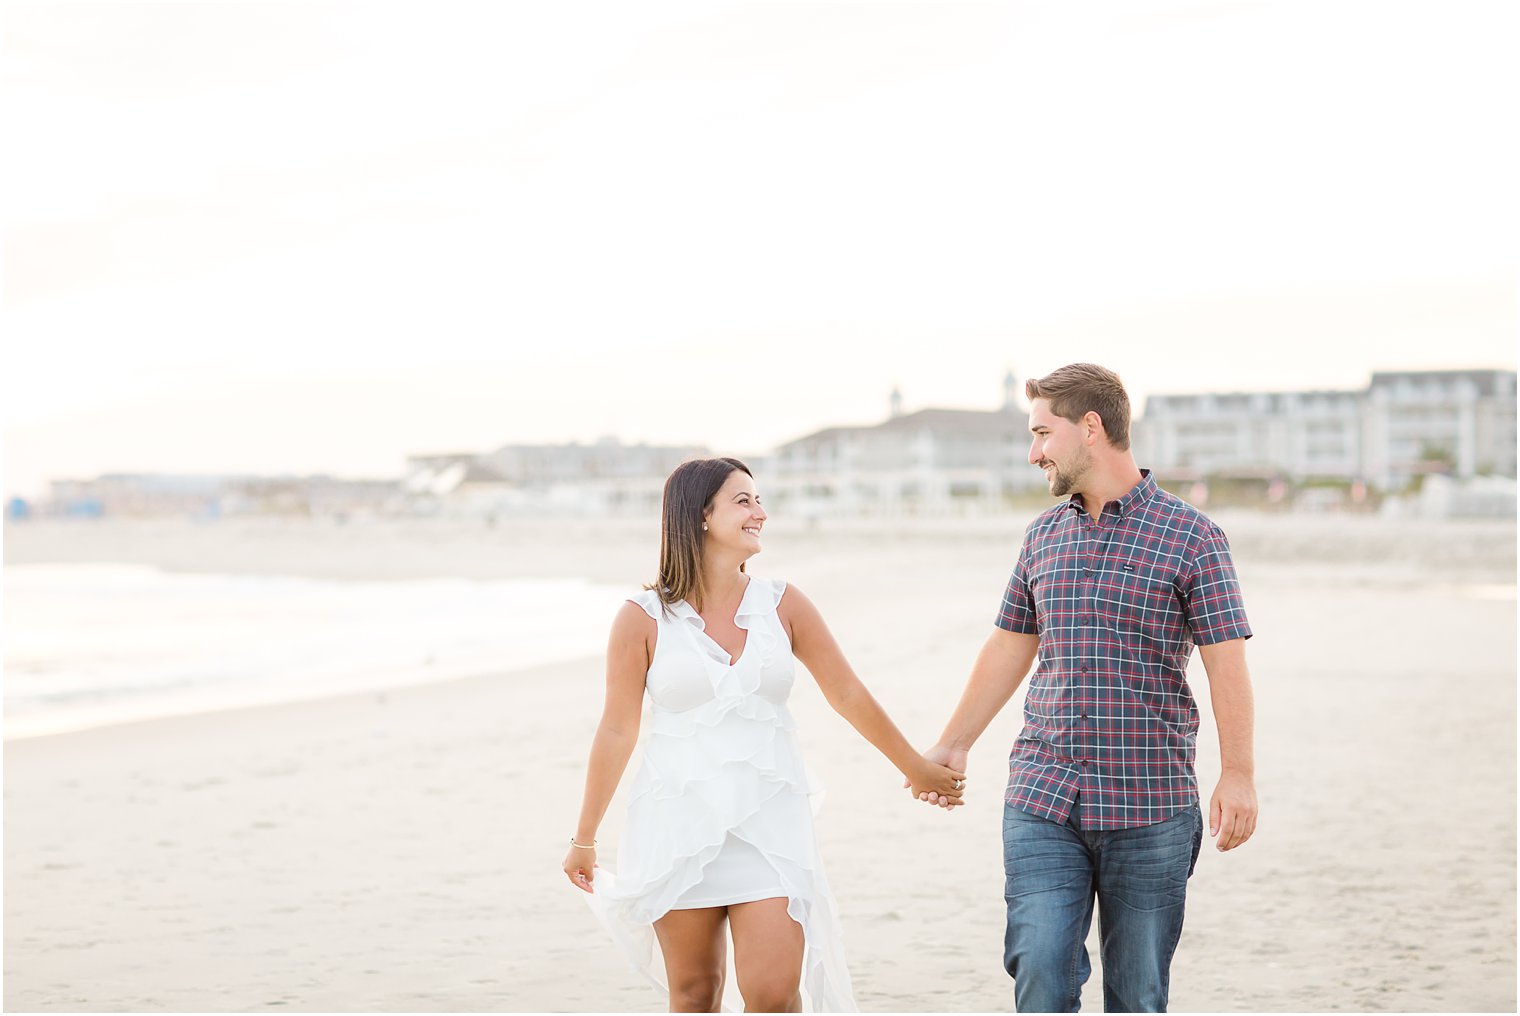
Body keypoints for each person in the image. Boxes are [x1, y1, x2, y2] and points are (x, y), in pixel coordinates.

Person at [563, 456, 965, 1013]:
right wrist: (585, 836)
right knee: (695, 993)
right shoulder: (642, 616)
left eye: (758, 500)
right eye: (744, 501)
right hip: (676, 822)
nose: (761, 513)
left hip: (770, 823)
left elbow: (847, 694)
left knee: (774, 994)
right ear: (700, 516)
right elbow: (616, 728)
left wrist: (915, 767)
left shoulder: (784, 603)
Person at [916, 364, 1257, 1013]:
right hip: (1043, 799)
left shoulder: (1195, 539)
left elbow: (1226, 665)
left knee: (1137, 997)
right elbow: (1010, 644)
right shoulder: (1043, 535)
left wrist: (1237, 773)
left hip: (1151, 807)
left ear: (1090, 428)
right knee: (1040, 973)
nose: (1034, 451)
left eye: (1043, 432)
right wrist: (953, 745)